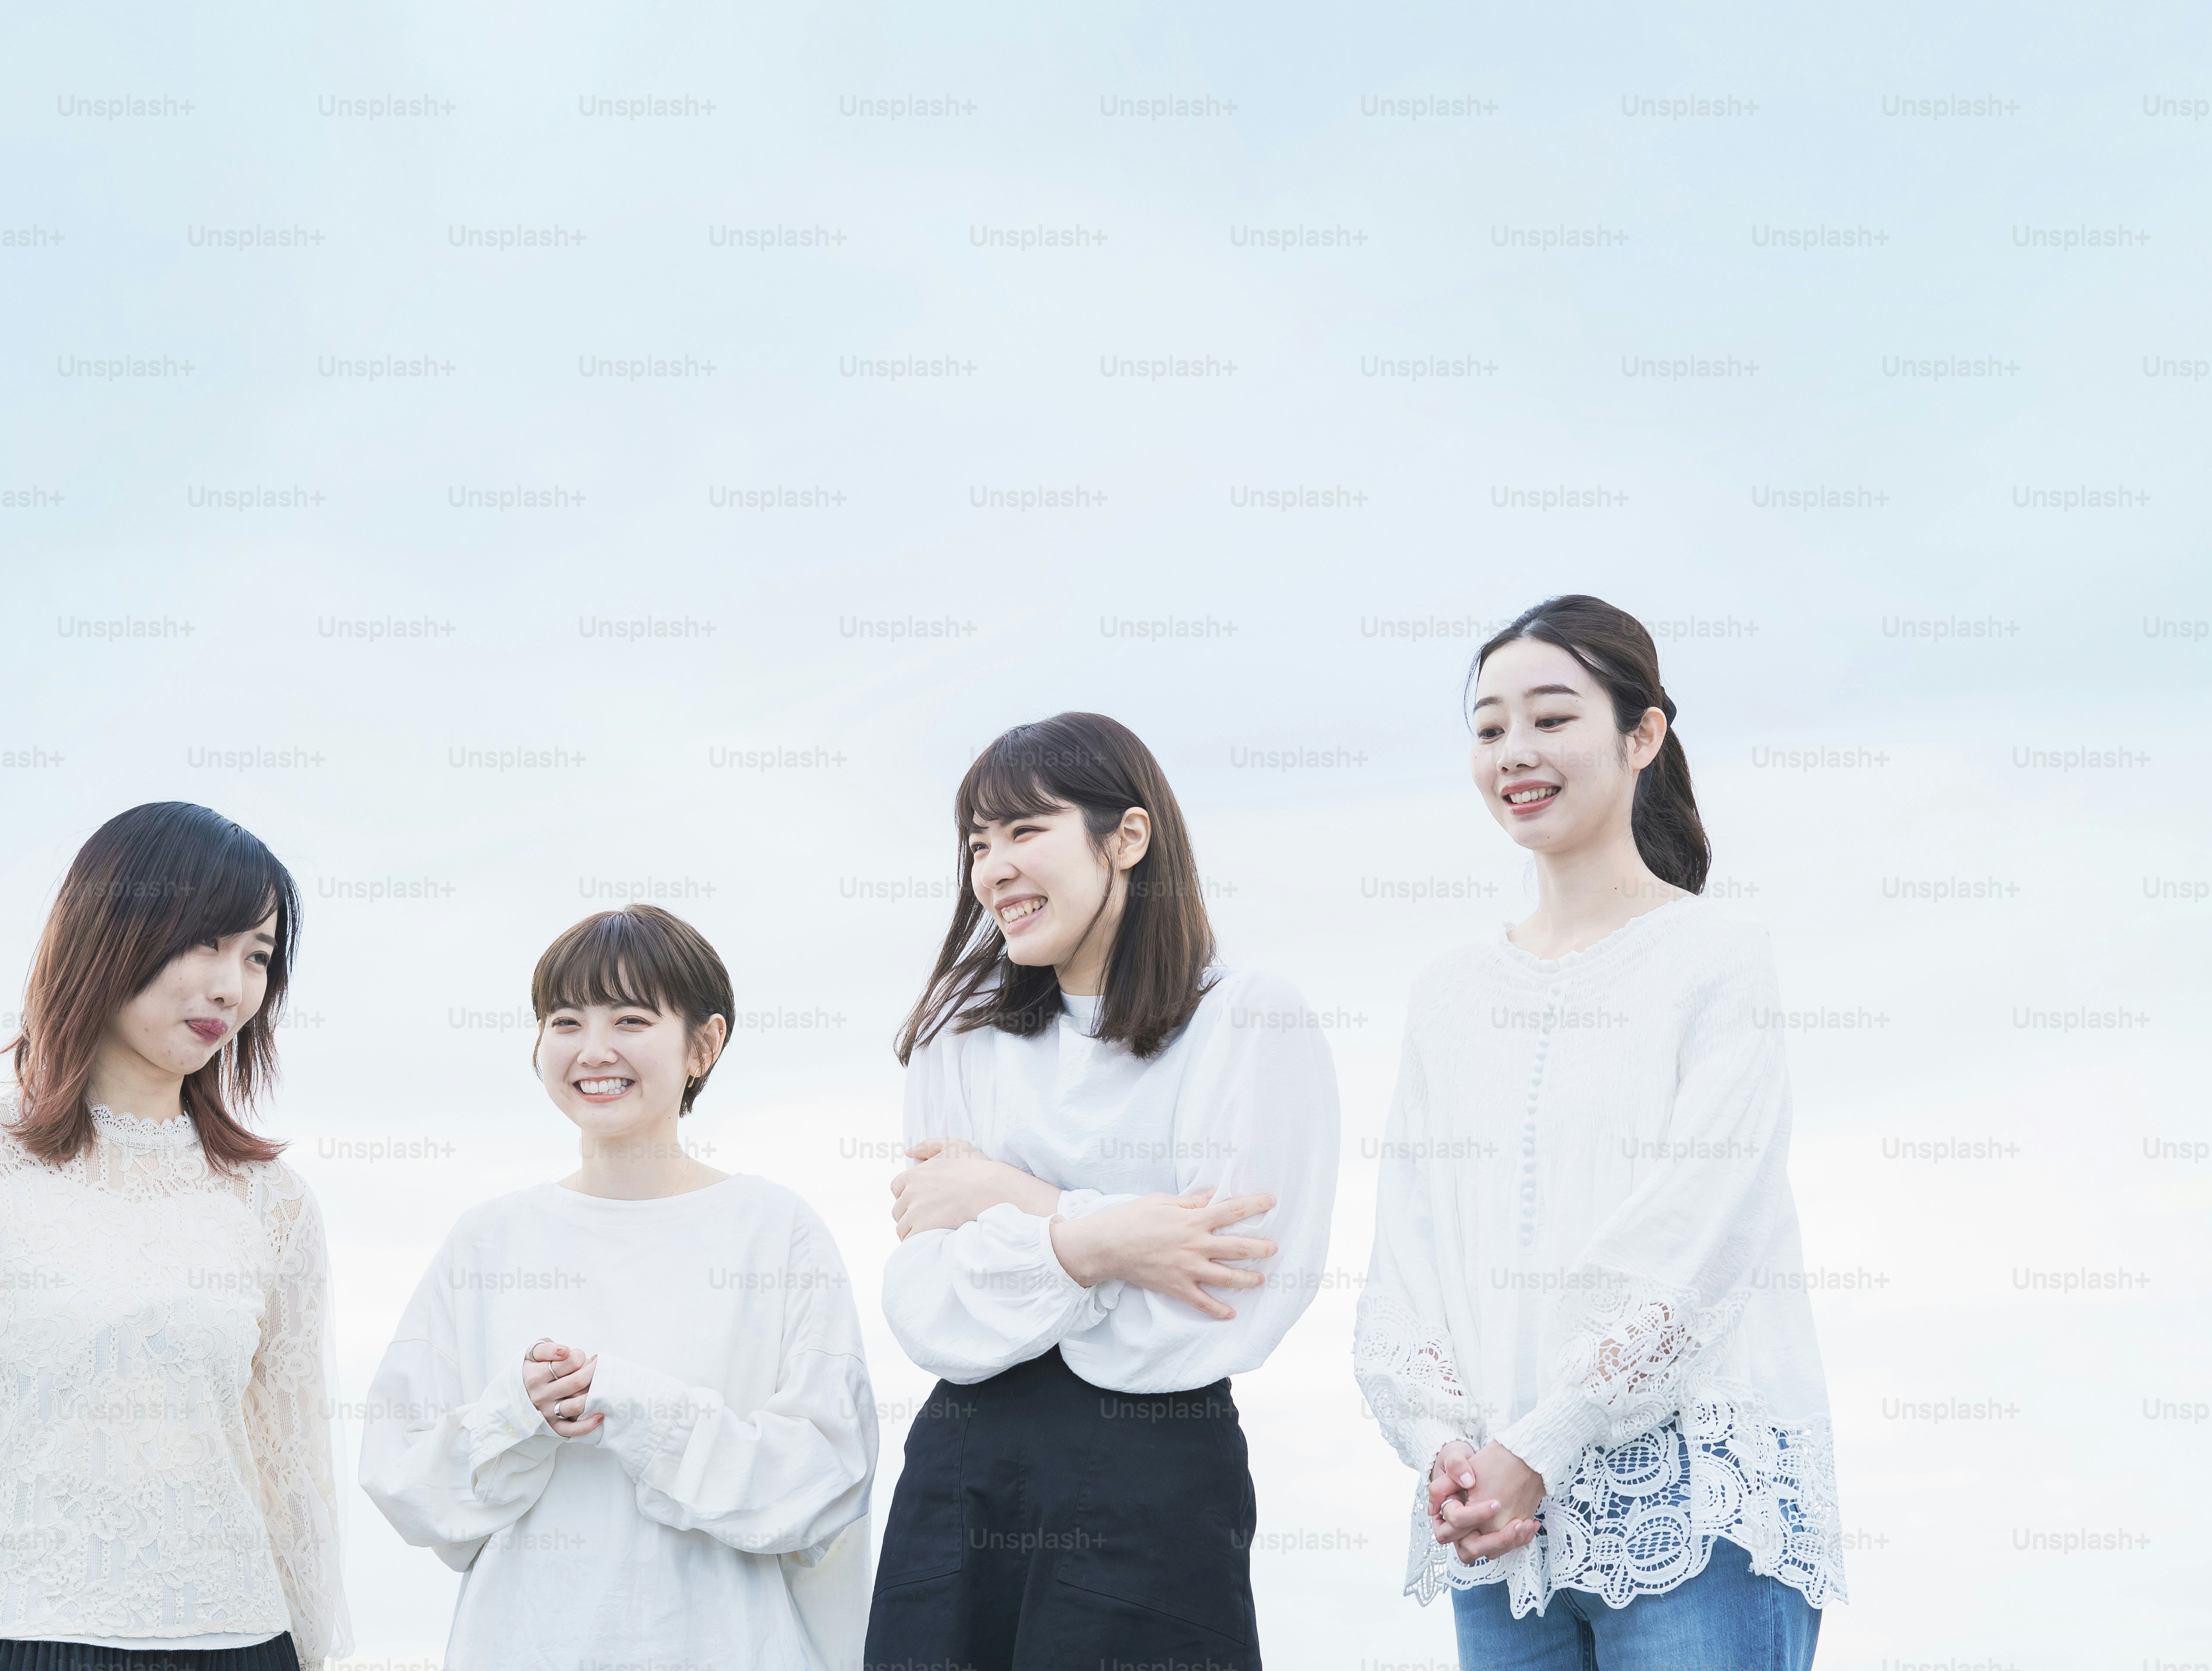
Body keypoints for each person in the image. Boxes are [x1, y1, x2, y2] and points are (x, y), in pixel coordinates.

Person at [1352, 595, 1841, 1668]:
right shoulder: (1448, 993)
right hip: (1500, 1535)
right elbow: (1407, 1257)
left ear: (1643, 734)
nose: (1514, 752)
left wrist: (1546, 1438)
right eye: (1488, 728)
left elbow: (1707, 1237)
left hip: (1691, 1511)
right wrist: (1448, 1449)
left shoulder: (1718, 955)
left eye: (1551, 717)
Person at [0, 802, 350, 1671]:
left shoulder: (275, 1204)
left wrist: (319, 1654)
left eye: (259, 956)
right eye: (208, 940)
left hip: (242, 1643)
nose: (233, 984)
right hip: (14, 1640)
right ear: (110, 927)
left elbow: (297, 1473)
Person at [866, 711, 1340, 1671]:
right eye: (977, 843)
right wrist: (1108, 1240)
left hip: (1153, 1470)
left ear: (1127, 837)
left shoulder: (1246, 1018)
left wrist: (1012, 1201)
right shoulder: (961, 1029)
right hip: (965, 1466)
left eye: (1024, 830)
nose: (993, 866)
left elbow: (1218, 1306)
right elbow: (928, 1306)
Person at [359, 905, 878, 1670]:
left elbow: (828, 1481)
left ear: (705, 1044)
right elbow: (404, 1478)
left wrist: (638, 1408)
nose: (593, 1050)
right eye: (565, 1021)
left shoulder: (774, 1231)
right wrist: (516, 1409)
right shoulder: (489, 1239)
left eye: (631, 1019)